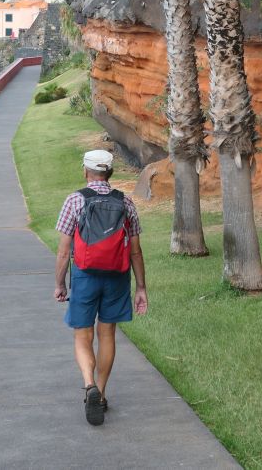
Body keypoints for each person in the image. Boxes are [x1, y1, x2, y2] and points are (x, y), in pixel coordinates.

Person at [54, 149, 148, 426]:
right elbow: (136, 251)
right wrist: (141, 287)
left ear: (85, 171)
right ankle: (103, 394)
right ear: (110, 173)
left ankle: (88, 384)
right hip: (117, 276)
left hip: (84, 275)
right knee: (107, 335)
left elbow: (63, 251)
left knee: (82, 336)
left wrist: (60, 284)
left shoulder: (75, 200)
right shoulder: (126, 202)